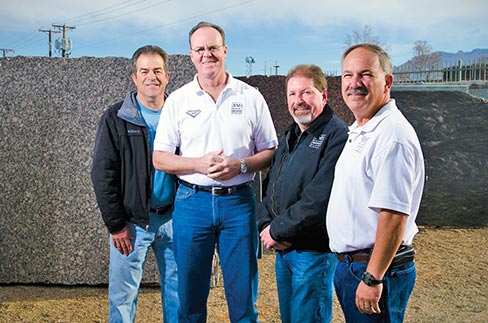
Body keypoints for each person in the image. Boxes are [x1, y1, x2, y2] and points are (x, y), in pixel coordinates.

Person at [152, 21, 278, 323]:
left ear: (225, 50)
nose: (207, 54)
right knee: (190, 298)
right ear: (191, 55)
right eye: (200, 49)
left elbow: (270, 152)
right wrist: (197, 164)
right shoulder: (178, 100)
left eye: (212, 48)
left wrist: (241, 165)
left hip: (238, 204)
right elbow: (159, 158)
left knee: (243, 297)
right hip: (191, 203)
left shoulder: (250, 96)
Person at [326, 43, 425, 323]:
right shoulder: (362, 128)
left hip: (374, 270)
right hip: (353, 266)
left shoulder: (392, 136)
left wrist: (372, 277)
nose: (354, 83)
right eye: (347, 75)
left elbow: (393, 216)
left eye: (365, 74)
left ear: (387, 82)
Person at [91, 45, 178, 323]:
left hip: (175, 220)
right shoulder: (116, 117)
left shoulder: (181, 114)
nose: (151, 76)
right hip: (132, 225)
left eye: (157, 71)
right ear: (134, 77)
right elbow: (103, 173)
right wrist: (116, 225)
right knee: (122, 298)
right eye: (144, 71)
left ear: (167, 76)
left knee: (179, 294)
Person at [257, 64, 348, 323]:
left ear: (324, 96)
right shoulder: (291, 135)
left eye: (306, 93)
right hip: (285, 252)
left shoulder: (337, 135)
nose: (299, 101)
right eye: (292, 94)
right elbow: (270, 187)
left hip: (312, 253)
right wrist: (266, 225)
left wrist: (277, 231)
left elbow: (319, 200)